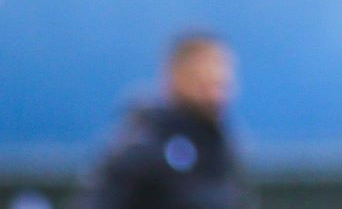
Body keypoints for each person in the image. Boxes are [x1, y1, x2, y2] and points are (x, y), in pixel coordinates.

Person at [80, 32, 252, 209]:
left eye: (221, 84)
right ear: (176, 77)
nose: (216, 96)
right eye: (205, 83)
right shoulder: (145, 142)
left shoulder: (222, 144)